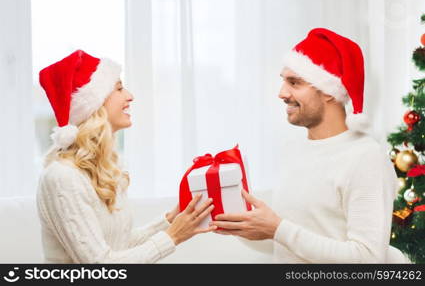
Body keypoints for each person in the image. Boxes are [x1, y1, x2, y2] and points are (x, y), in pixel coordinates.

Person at [211, 28, 408, 263]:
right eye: (284, 81)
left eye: (295, 82)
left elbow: (366, 258)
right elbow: (294, 241)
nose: (282, 93)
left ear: (331, 93)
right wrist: (242, 226)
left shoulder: (366, 157)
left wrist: (277, 229)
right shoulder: (294, 149)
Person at [36, 50, 216, 263]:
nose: (130, 96)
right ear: (95, 106)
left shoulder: (100, 168)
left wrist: (170, 221)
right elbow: (101, 266)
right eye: (119, 88)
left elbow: (119, 245)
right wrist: (173, 236)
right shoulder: (62, 178)